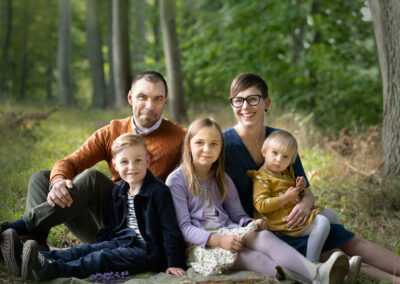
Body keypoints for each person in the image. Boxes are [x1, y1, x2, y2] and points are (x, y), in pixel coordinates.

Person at [222, 73, 400, 283]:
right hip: (265, 231)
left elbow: (305, 188)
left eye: (253, 99)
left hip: (296, 219)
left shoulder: (280, 140)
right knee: (334, 253)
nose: (245, 106)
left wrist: (305, 205)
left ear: (266, 102)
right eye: (238, 100)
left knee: (351, 241)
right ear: (232, 104)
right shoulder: (222, 144)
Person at [0, 71, 185, 257]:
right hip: (106, 223)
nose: (149, 106)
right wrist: (57, 182)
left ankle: (13, 229)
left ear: (165, 101)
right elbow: (70, 162)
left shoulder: (181, 138)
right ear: (130, 97)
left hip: (140, 230)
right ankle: (33, 249)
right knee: (42, 179)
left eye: (157, 99)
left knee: (92, 178)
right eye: (142, 97)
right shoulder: (112, 131)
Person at [166, 117, 350, 284]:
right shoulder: (177, 180)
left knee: (263, 236)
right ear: (188, 144)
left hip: (229, 230)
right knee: (258, 259)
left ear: (221, 148)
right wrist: (219, 241)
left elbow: (237, 214)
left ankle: (317, 275)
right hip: (202, 245)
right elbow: (184, 227)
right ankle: (316, 278)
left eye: (214, 144)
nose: (207, 149)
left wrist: (251, 222)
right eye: (200, 143)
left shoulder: (223, 179)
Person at [1, 133, 186, 281]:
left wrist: (174, 262)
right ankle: (37, 258)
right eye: (124, 162)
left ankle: (49, 269)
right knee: (85, 251)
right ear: (115, 165)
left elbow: (170, 230)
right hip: (123, 241)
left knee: (101, 258)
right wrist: (100, 245)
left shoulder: (158, 191)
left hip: (148, 251)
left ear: (147, 161)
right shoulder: (120, 190)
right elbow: (112, 227)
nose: (132, 167)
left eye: (138, 160)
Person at [247, 129, 344, 264]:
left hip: (293, 214)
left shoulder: (285, 173)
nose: (279, 159)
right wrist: (286, 198)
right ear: (264, 152)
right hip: (281, 222)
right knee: (322, 223)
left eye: (285, 157)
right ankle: (312, 263)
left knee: (332, 215)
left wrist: (300, 187)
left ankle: (333, 248)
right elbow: (261, 205)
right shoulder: (261, 178)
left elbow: (293, 193)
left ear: (291, 161)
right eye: (274, 153)